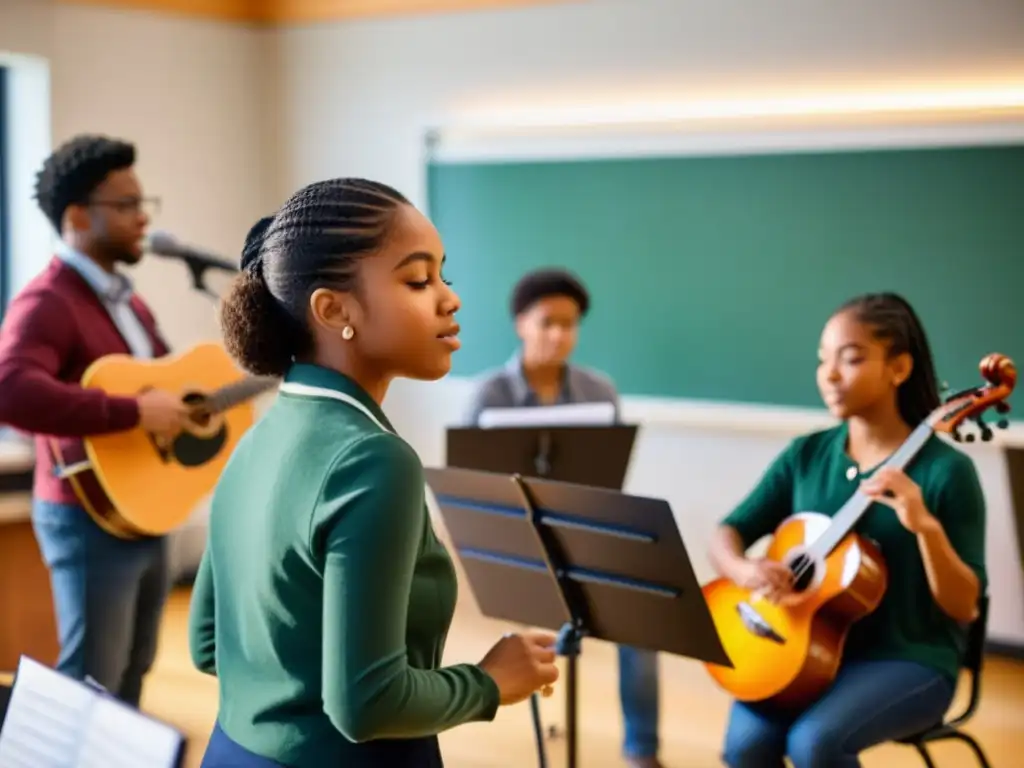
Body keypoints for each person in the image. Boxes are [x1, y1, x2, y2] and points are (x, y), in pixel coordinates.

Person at [188, 178, 560, 768]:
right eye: (418, 280)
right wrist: (490, 681)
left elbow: (209, 646)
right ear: (334, 310)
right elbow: (368, 704)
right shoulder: (374, 459)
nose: (449, 299)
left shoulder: (257, 438)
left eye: (444, 276)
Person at [710, 292, 987, 768]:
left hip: (909, 659)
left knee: (815, 743)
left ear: (898, 369)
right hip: (804, 652)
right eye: (823, 361)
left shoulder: (946, 473)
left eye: (851, 359)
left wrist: (926, 529)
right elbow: (727, 531)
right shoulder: (807, 455)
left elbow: (964, 605)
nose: (830, 375)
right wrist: (745, 569)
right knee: (745, 746)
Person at [0, 134, 187, 706]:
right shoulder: (49, 299)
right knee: (92, 680)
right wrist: (132, 411)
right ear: (78, 216)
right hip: (87, 515)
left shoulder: (125, 301)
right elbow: (11, 390)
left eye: (142, 204)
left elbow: (159, 383)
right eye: (126, 205)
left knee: (134, 670)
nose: (142, 219)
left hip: (141, 508)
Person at [464, 268, 664, 768]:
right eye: (548, 322)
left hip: (589, 538)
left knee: (644, 620)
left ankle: (642, 750)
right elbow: (470, 493)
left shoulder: (600, 391)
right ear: (520, 324)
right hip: (521, 547)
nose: (560, 335)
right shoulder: (488, 395)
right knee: (541, 633)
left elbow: (609, 486)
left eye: (570, 324)